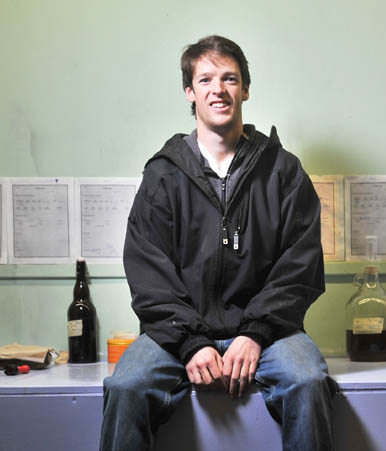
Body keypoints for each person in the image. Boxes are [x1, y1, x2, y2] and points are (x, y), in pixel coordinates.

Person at [100, 35, 336, 450]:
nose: (218, 89)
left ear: (245, 88)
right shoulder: (163, 176)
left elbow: (300, 265)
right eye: (206, 79)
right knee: (126, 387)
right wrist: (190, 342)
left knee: (308, 381)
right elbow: (147, 269)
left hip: (271, 332)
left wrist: (256, 332)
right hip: (176, 335)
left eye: (229, 78)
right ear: (190, 92)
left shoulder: (282, 171)